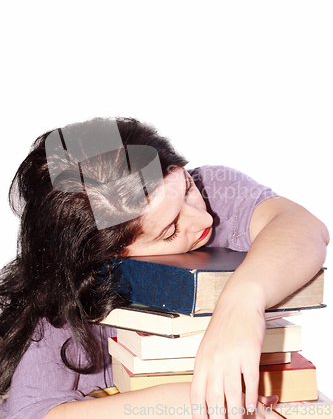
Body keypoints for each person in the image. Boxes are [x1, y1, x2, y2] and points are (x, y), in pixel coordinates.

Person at [0, 117, 329, 419]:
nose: (204, 219)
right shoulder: (68, 297)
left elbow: (303, 227)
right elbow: (31, 413)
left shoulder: (214, 190)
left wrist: (241, 305)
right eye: (170, 230)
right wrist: (191, 401)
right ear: (111, 256)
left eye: (186, 188)